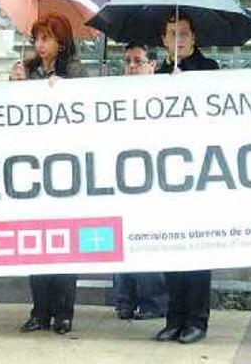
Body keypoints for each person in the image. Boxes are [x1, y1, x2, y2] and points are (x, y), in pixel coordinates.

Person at [12, 13, 83, 335]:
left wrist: (62, 91)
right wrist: (15, 87)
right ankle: (40, 310)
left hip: (65, 168)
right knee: (36, 239)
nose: (40, 46)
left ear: (62, 42)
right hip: (31, 167)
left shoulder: (76, 72)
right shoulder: (25, 71)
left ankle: (63, 312)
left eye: (47, 39)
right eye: (37, 39)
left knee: (64, 241)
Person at [154, 12, 218, 345]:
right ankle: (174, 317)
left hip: (199, 172)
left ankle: (196, 320)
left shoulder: (209, 70)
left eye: (183, 34)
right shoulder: (159, 73)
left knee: (197, 250)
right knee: (170, 249)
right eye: (171, 34)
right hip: (166, 175)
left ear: (194, 38)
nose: (178, 40)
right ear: (163, 40)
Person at [112, 42, 167, 321]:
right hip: (121, 177)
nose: (132, 67)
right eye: (128, 62)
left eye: (138, 61)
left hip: (152, 178)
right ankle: (123, 299)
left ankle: (153, 302)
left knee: (149, 241)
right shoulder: (114, 96)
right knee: (120, 239)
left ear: (153, 65)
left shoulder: (163, 95)